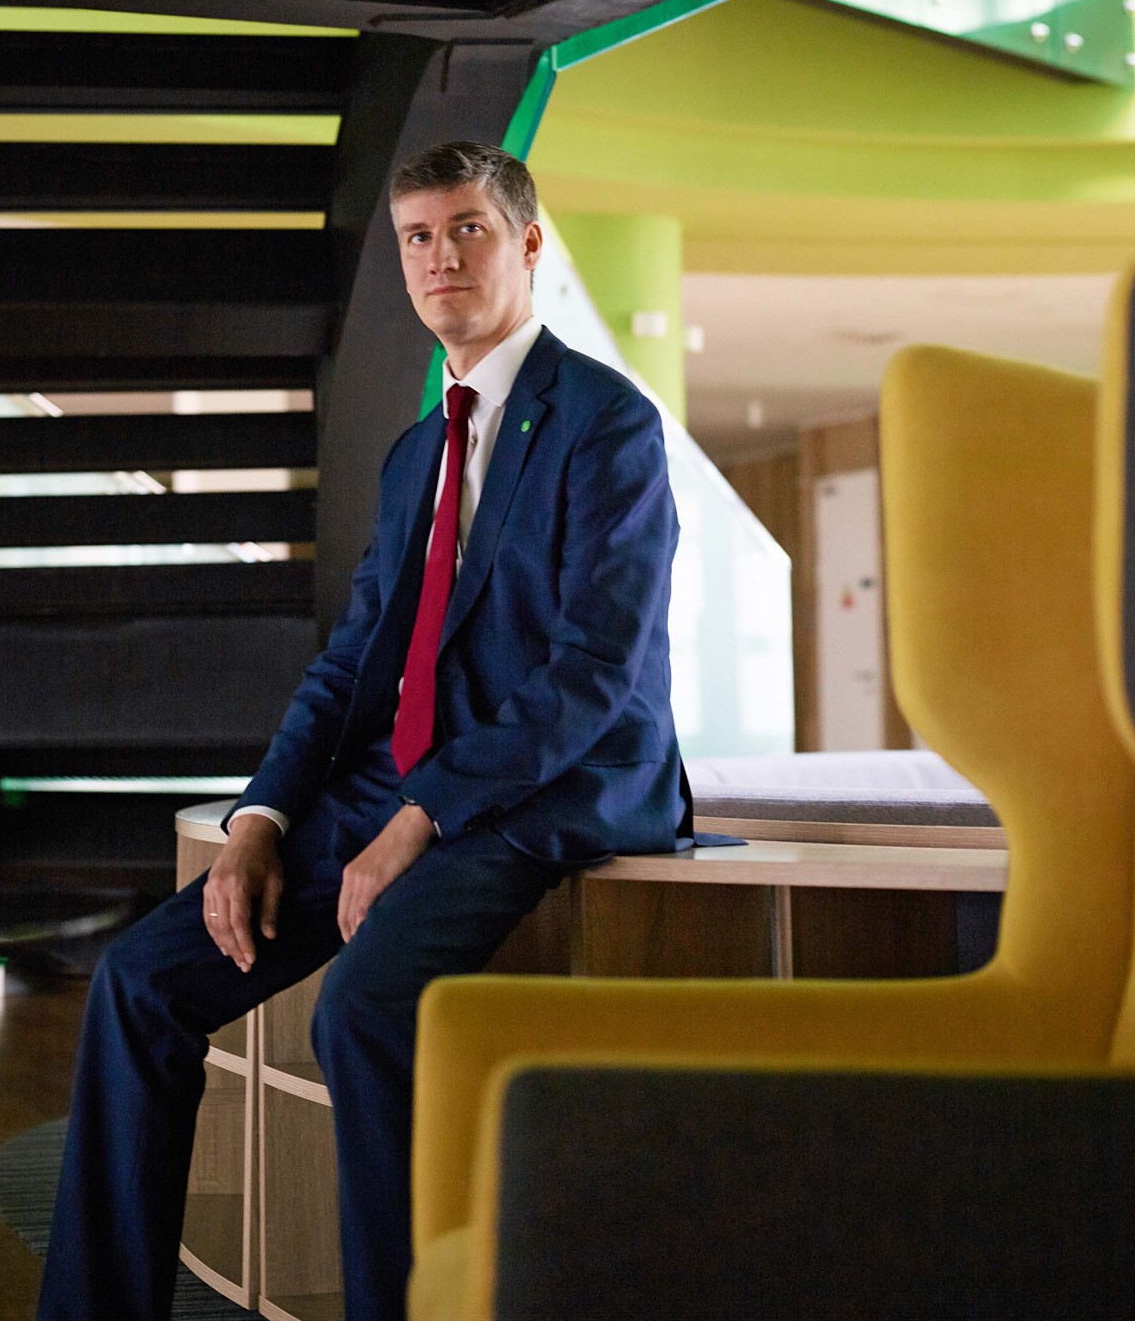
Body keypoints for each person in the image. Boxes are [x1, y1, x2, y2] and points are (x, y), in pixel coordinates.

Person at [37, 140, 688, 1321]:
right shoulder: (413, 455)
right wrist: (260, 816)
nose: (440, 256)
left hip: (548, 784)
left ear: (528, 243)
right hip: (403, 780)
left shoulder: (607, 423)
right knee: (137, 979)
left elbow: (596, 668)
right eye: (417, 236)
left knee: (363, 1009)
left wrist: (420, 815)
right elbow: (350, 664)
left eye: (468, 228)